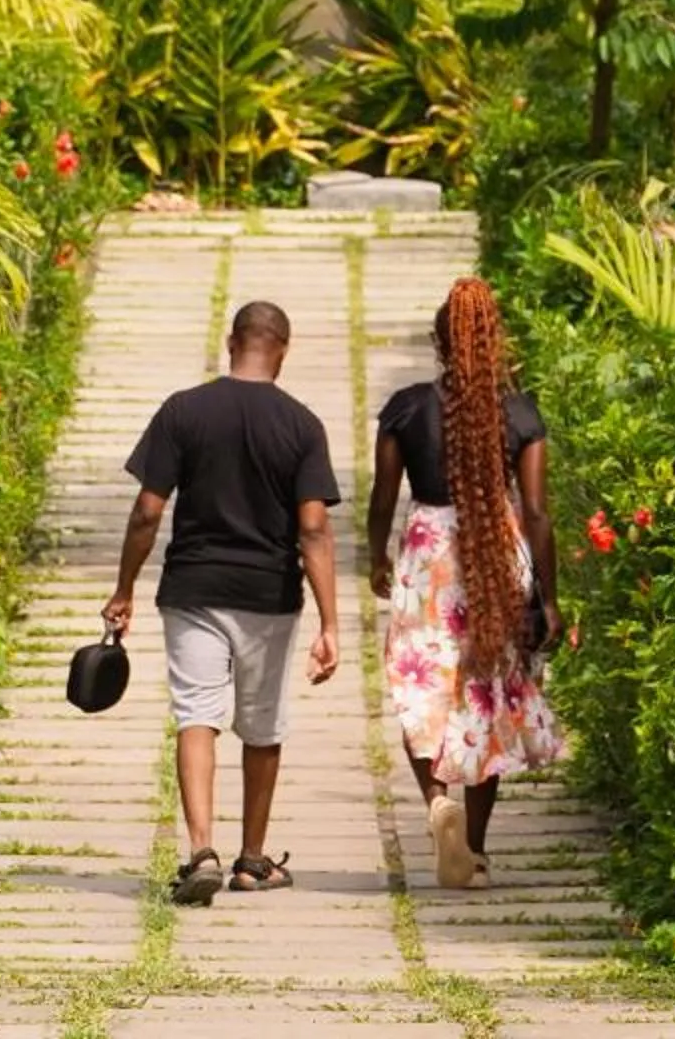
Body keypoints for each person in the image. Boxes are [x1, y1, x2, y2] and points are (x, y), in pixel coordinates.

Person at [103, 300, 342, 906]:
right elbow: (313, 529)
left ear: (229, 341)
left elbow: (147, 511)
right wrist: (330, 622)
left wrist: (124, 587)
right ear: (282, 351)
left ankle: (201, 851)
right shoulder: (302, 425)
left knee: (196, 716)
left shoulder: (184, 410)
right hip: (269, 594)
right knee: (261, 728)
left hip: (194, 590)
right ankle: (252, 862)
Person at [365, 276, 564, 889]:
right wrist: (549, 598)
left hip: (429, 559)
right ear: (495, 339)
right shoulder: (521, 414)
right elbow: (534, 511)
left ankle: (435, 802)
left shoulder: (406, 408)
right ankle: (474, 853)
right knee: (485, 699)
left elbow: (382, 495)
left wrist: (378, 556)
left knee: (421, 691)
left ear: (440, 340)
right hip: (492, 554)